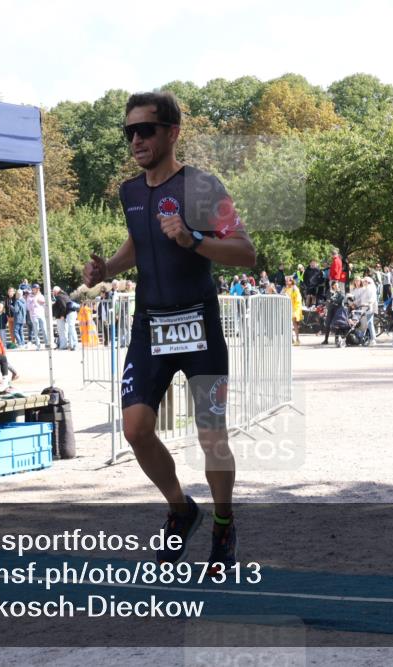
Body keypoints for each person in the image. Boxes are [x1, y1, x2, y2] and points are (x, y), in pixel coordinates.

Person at [82, 90, 255, 569]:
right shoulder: (129, 192)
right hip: (149, 325)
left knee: (211, 435)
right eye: (129, 131)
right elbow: (139, 244)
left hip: (198, 324)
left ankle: (223, 524)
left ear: (172, 132)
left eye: (145, 130)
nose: (135, 139)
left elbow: (245, 250)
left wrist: (193, 238)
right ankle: (181, 510)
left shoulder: (201, 187)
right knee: (136, 428)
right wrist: (108, 269)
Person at [52, 285, 79, 351]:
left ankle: (75, 345)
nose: (53, 293)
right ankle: (72, 345)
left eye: (53, 291)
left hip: (70, 313)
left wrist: (62, 315)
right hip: (71, 313)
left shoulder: (59, 296)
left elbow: (63, 306)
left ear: (55, 291)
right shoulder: (64, 294)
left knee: (71, 329)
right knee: (70, 329)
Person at [320, 281, 344, 345]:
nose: (336, 286)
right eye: (335, 285)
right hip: (330, 309)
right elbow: (328, 299)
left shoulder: (340, 292)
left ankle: (336, 340)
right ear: (332, 286)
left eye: (337, 285)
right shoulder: (329, 292)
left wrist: (333, 299)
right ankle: (326, 340)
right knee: (327, 324)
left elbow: (340, 300)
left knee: (337, 325)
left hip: (337, 310)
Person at [26, 284, 48, 350]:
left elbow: (44, 304)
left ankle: (47, 344)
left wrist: (42, 302)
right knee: (36, 330)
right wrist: (34, 301)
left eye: (38, 288)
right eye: (36, 288)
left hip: (41, 314)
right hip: (34, 315)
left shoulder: (41, 295)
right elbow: (28, 307)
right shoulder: (29, 296)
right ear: (33, 289)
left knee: (44, 329)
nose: (38, 289)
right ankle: (38, 345)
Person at [283, 276, 302, 345]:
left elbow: (298, 299)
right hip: (287, 308)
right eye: (286, 281)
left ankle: (297, 339)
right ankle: (292, 339)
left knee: (294, 323)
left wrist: (296, 309)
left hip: (294, 308)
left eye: (288, 281)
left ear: (291, 281)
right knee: (289, 324)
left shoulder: (295, 288)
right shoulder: (286, 288)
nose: (286, 282)